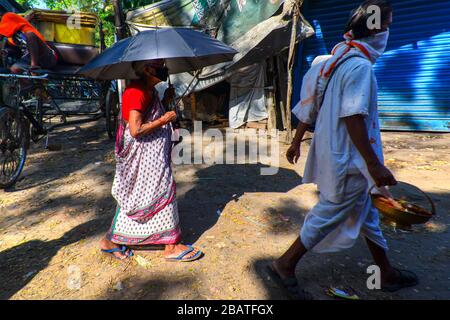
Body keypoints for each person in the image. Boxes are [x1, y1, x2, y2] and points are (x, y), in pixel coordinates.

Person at [268, 0, 418, 298]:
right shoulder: (358, 66)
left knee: (368, 214)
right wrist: (374, 164)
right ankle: (285, 263)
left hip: (341, 153)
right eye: (387, 25)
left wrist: (297, 139)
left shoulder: (337, 58)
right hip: (349, 159)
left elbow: (311, 102)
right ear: (375, 31)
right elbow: (353, 116)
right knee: (331, 211)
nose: (388, 32)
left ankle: (385, 273)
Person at [100, 59, 203, 262]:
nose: (165, 69)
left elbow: (149, 114)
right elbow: (136, 130)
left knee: (146, 193)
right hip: (141, 156)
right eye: (160, 66)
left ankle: (112, 240)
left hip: (152, 155)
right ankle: (171, 246)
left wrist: (165, 100)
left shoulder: (149, 91)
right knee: (160, 188)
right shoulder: (135, 92)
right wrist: (164, 120)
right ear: (147, 69)